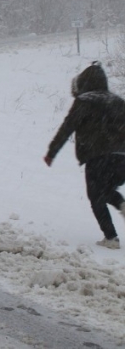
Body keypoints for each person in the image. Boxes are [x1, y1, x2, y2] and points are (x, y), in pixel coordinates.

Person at [44, 61, 125, 250]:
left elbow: (67, 127)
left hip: (97, 156)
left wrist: (51, 152)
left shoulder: (84, 101)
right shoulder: (117, 101)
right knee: (105, 190)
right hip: (122, 157)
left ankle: (111, 238)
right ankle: (121, 204)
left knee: (95, 195)